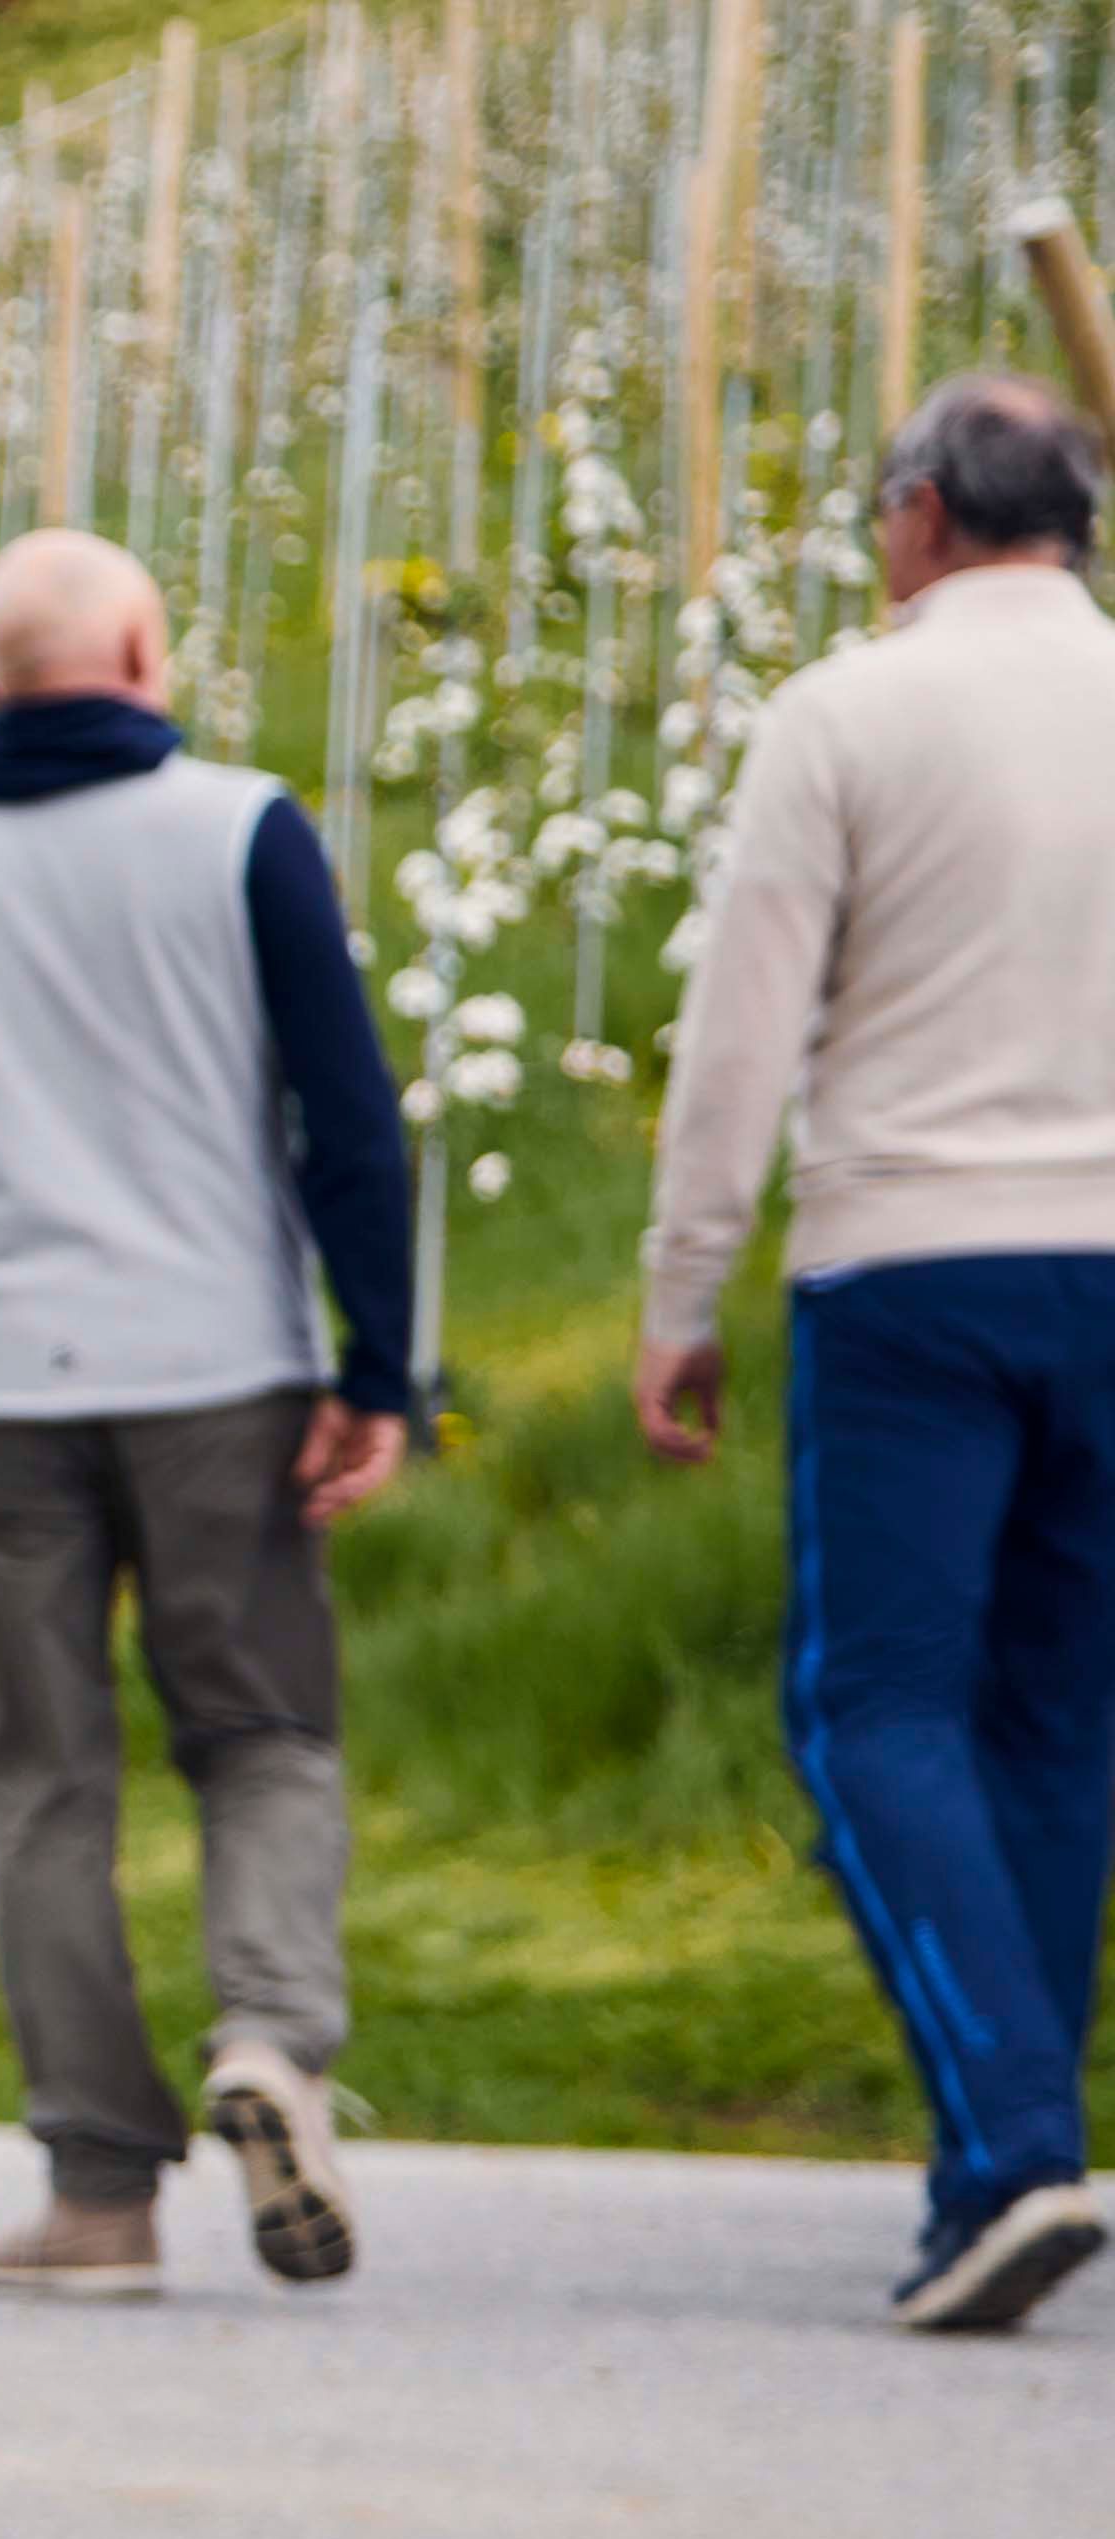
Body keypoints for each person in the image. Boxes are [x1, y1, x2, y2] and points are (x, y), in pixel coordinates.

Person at [0, 528, 418, 2301]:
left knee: (40, 1784)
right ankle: (268, 2040)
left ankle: (92, 2189)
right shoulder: (236, 831)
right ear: (141, 648)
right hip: (215, 1363)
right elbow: (342, 1114)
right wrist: (373, 1363)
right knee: (256, 1733)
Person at [633, 376, 1115, 2335]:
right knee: (1053, 1721)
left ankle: (1009, 2145)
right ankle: (991, 2160)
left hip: (910, 1270)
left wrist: (681, 1287)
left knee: (870, 1711)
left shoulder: (841, 712)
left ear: (918, 510)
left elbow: (741, 1024)